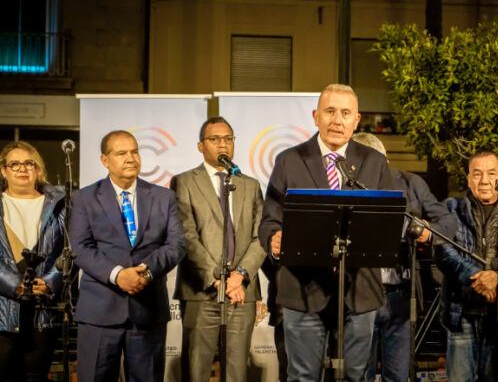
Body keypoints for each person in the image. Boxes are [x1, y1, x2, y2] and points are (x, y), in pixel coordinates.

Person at [259, 84, 395, 381]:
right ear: (316, 116)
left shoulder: (374, 162)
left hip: (360, 291)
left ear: (356, 120)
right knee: (303, 376)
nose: (337, 120)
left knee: (356, 376)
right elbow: (269, 220)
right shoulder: (289, 160)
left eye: (345, 113)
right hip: (302, 289)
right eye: (330, 111)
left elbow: (388, 222)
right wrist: (273, 238)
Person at [69, 130, 185, 382]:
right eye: (121, 153)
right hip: (99, 313)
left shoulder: (163, 197)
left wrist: (146, 272)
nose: (131, 158)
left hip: (148, 311)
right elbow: (79, 247)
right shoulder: (85, 198)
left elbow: (176, 244)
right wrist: (117, 275)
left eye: (134, 152)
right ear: (105, 160)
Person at [351, 133, 457, 382]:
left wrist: (428, 231)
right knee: (359, 376)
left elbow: (448, 222)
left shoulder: (411, 183)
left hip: (401, 295)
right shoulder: (346, 189)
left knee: (398, 376)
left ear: (384, 159)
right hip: (358, 296)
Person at [171, 117, 266, 382]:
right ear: (201, 146)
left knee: (237, 371)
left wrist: (239, 276)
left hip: (241, 292)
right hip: (201, 290)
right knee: (196, 370)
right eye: (214, 139)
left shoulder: (250, 184)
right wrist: (217, 279)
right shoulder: (184, 182)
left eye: (228, 139)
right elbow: (187, 235)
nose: (222, 144)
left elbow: (262, 236)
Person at [434, 151, 498, 382]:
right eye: (477, 174)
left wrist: (497, 277)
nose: (484, 180)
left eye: (491, 173)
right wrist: (477, 276)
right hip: (460, 313)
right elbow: (443, 251)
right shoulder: (450, 208)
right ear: (468, 179)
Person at [0, 141, 65, 381]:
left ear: (38, 169)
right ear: (3, 170)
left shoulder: (59, 205)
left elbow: (70, 251)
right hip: (2, 309)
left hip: (43, 311)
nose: (22, 169)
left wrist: (49, 281)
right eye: (14, 164)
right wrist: (12, 285)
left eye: (29, 163)